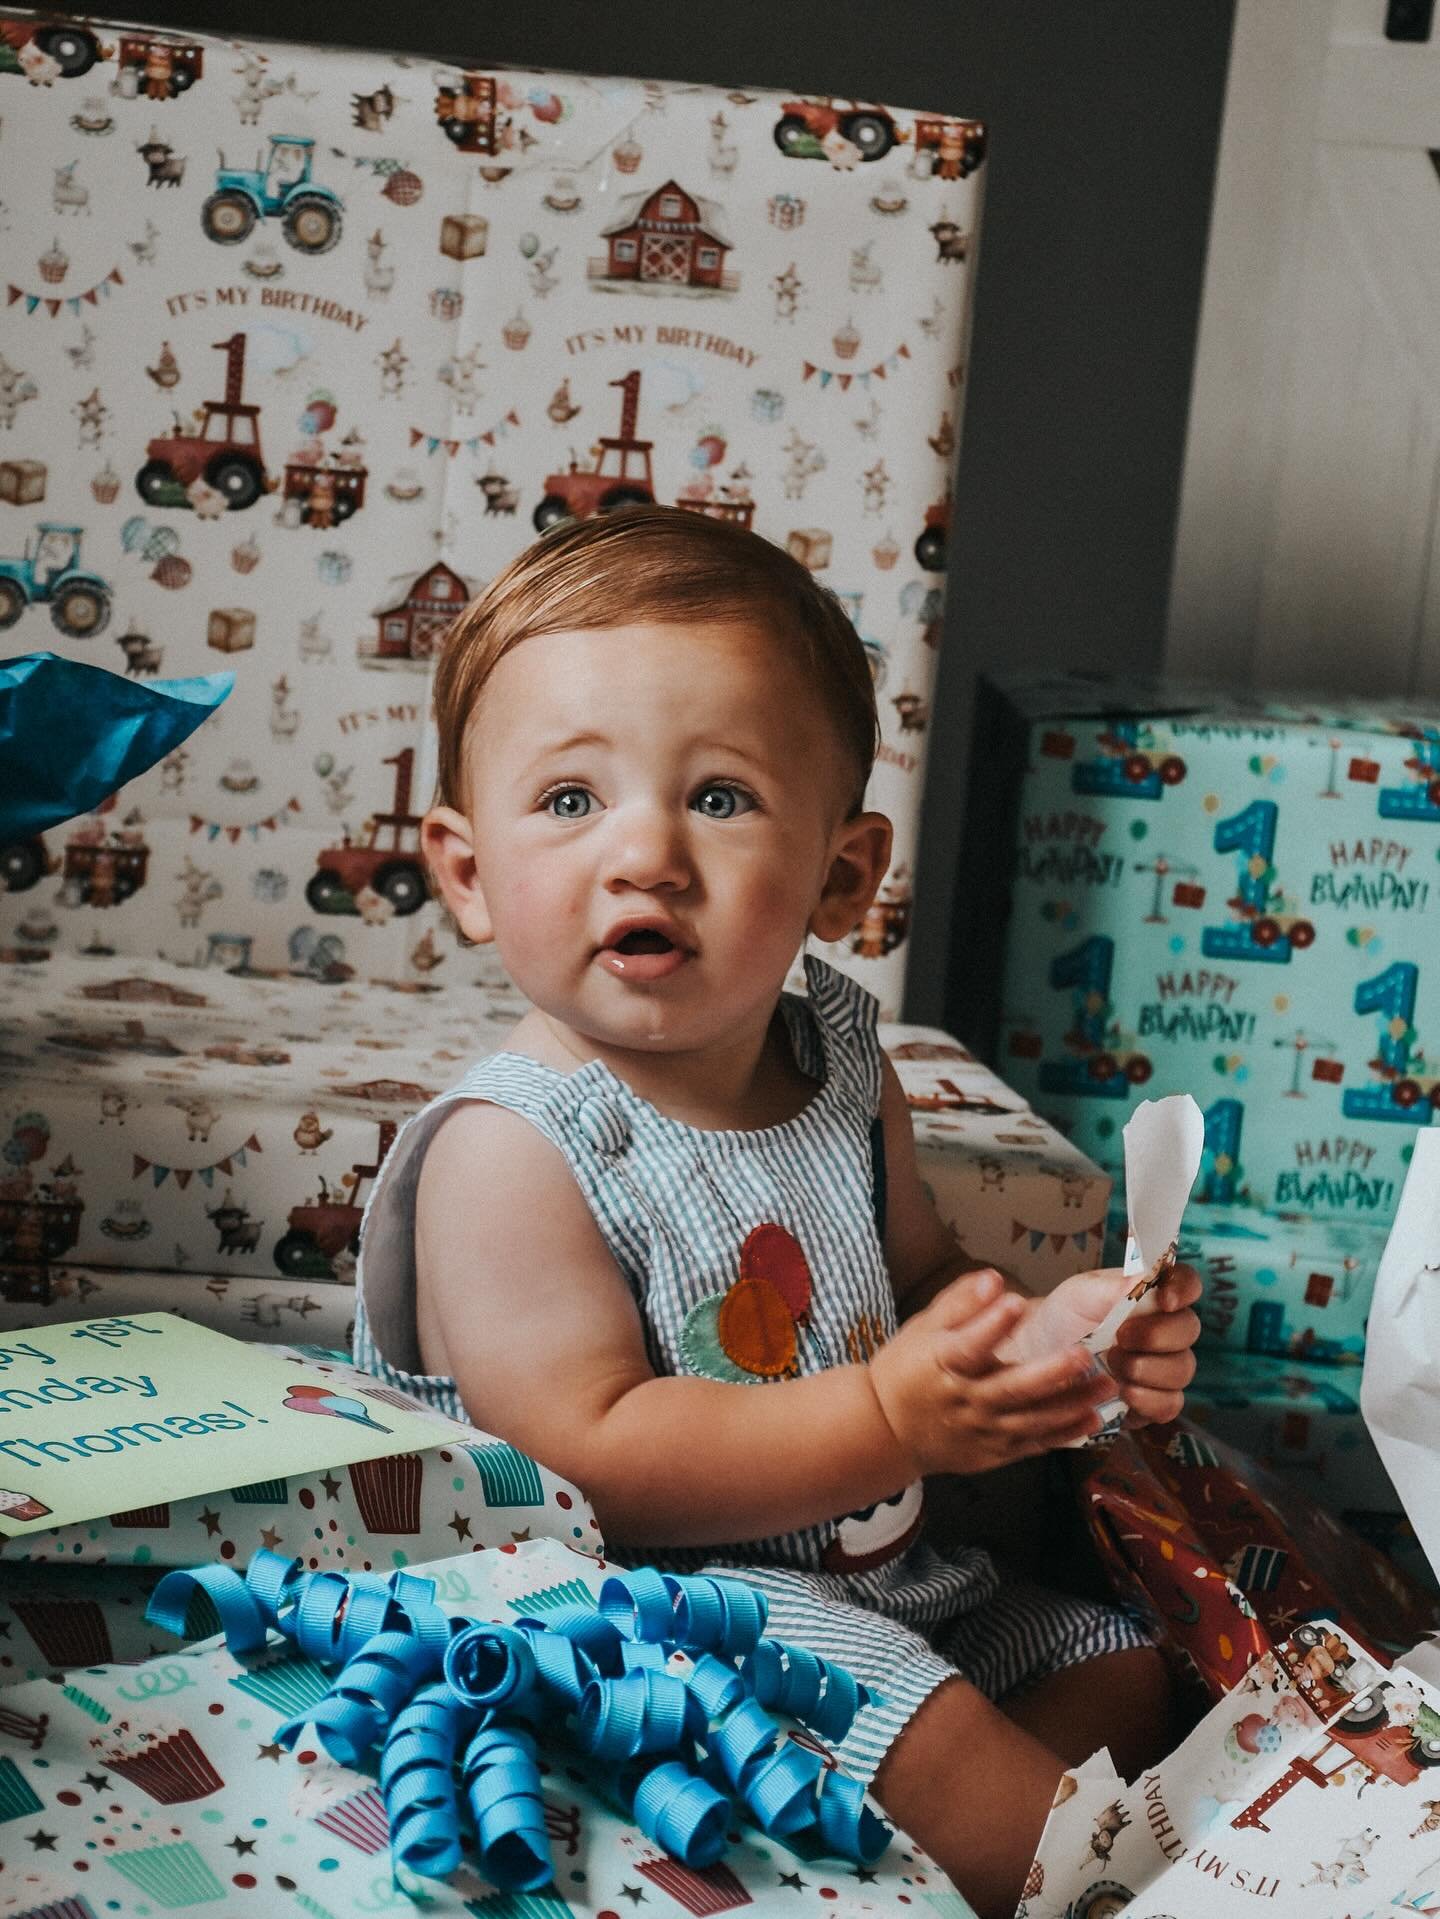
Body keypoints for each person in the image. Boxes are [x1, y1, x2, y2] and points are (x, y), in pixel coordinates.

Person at [354, 507, 1202, 1919]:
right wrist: (890, 1421)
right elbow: (594, 1456)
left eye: (723, 798)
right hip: (658, 1623)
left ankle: (937, 1867)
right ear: (463, 872)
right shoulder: (514, 1149)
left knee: (1118, 1657)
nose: (644, 857)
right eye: (571, 801)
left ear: (845, 878)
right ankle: (1022, 1853)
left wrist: (1049, 1340)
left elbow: (918, 1276)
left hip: (879, 1580)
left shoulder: (844, 1070)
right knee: (1000, 1786)